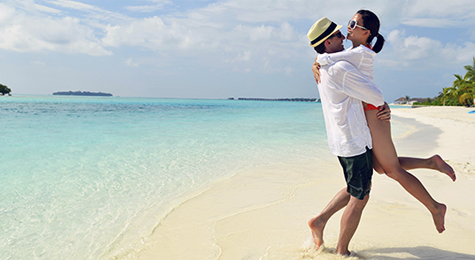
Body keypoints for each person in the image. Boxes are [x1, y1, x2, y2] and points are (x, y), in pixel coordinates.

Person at [307, 10, 456, 251]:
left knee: (387, 171)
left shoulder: (360, 54)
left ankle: (434, 202)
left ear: (367, 33)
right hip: (366, 118)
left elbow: (335, 62)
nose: (347, 30)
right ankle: (431, 165)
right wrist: (318, 60)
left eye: (352, 25)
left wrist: (318, 60)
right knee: (377, 171)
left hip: (372, 116)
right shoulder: (347, 58)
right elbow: (336, 62)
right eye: (346, 25)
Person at [306, 17, 385, 256]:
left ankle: (319, 221)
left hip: (340, 140)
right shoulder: (340, 68)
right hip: (353, 140)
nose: (344, 37)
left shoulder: (324, 63)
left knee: (353, 188)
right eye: (339, 35)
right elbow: (375, 95)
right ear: (328, 42)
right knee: (360, 198)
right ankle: (343, 252)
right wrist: (383, 104)